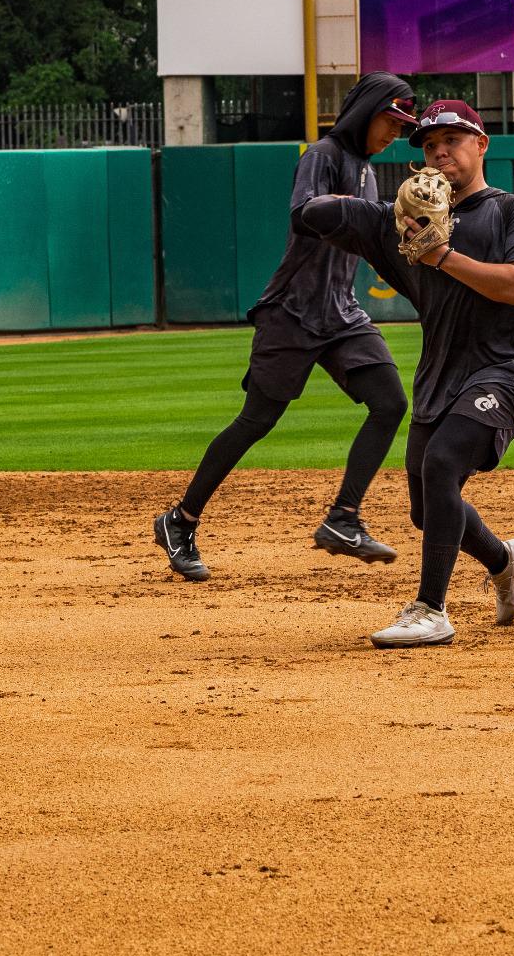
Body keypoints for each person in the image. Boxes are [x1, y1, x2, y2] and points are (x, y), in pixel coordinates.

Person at [297, 100, 514, 649]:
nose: (440, 152)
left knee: (442, 463)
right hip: (441, 375)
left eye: (453, 141)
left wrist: (440, 255)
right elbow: (313, 214)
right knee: (425, 508)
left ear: (481, 144)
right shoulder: (404, 227)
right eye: (429, 146)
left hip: (509, 368)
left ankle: (430, 609)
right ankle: (504, 558)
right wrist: (357, 194)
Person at [151, 72, 418, 583]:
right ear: (367, 111)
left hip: (341, 313)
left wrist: (421, 290)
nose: (394, 133)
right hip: (292, 311)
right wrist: (375, 211)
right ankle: (180, 521)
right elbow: (303, 214)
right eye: (391, 120)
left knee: (390, 404)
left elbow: (372, 247)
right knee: (257, 420)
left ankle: (343, 519)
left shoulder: (365, 171)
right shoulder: (323, 155)